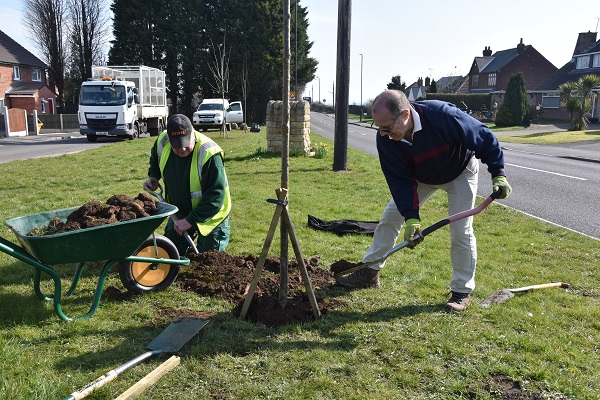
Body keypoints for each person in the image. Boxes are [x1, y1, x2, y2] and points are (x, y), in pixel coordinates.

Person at [336, 90, 512, 312]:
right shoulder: (387, 139)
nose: (383, 134)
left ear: (406, 115)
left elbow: (484, 136)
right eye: (379, 128)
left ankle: (461, 292)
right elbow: (399, 180)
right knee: (390, 217)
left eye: (388, 128)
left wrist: (498, 173)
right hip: (422, 176)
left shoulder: (442, 115)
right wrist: (411, 216)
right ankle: (371, 270)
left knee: (461, 230)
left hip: (459, 171)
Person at [144, 114, 231, 255]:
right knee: (169, 255)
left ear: (193, 134)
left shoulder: (209, 154)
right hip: (179, 212)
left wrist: (190, 220)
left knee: (208, 264)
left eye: (185, 144)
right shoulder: (162, 140)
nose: (182, 149)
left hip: (211, 216)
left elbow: (216, 196)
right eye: (176, 146)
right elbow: (155, 157)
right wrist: (154, 175)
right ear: (170, 140)